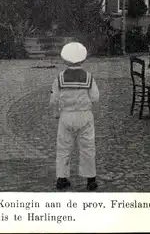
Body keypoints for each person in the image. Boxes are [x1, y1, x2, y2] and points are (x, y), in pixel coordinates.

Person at [50, 42, 99, 191]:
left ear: (65, 60)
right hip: (84, 115)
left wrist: (56, 114)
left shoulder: (60, 78)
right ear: (83, 59)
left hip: (66, 115)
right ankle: (90, 180)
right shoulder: (89, 77)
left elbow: (53, 100)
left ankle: (62, 178)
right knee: (88, 147)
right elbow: (95, 97)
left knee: (64, 147)